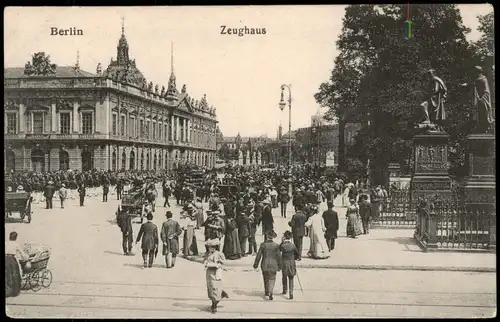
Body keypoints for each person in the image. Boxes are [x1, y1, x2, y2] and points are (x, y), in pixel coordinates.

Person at [253, 230, 281, 300]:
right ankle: (271, 291)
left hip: (265, 263)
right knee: (272, 278)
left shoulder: (263, 245)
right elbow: (279, 256)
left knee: (265, 278)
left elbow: (258, 256)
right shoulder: (276, 246)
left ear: (267, 236)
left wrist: (255, 265)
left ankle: (266, 291)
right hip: (273, 264)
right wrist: (280, 266)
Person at [204, 239, 230, 314]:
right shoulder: (207, 254)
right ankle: (220, 295)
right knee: (211, 289)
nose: (211, 249)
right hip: (209, 273)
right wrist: (206, 263)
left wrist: (219, 264)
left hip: (216, 273)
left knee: (215, 288)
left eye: (213, 247)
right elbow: (204, 261)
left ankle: (214, 306)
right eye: (209, 247)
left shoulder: (219, 254)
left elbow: (223, 261)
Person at [280, 231, 299, 300]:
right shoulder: (293, 246)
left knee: (284, 276)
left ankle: (285, 290)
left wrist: (282, 242)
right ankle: (291, 293)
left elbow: (279, 249)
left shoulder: (283, 245)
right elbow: (297, 254)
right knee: (291, 277)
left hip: (284, 262)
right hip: (291, 262)